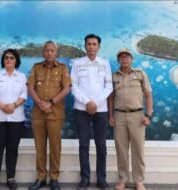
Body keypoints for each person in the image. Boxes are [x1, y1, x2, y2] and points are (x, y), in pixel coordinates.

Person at [27, 41, 71, 190]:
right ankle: (41, 177)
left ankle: (54, 178)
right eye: (47, 50)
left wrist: (50, 103)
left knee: (54, 147)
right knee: (40, 147)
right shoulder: (36, 67)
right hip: (38, 113)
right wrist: (40, 103)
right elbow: (30, 87)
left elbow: (66, 89)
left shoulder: (63, 68)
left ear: (56, 53)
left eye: (52, 51)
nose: (49, 53)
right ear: (43, 52)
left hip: (55, 113)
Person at [71, 33, 112, 189]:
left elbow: (109, 86)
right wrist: (87, 102)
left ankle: (101, 179)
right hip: (81, 109)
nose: (91, 47)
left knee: (101, 145)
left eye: (94, 44)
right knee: (84, 145)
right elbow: (73, 86)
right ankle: (85, 179)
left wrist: (96, 103)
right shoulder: (77, 63)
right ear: (85, 46)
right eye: (89, 44)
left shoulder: (105, 63)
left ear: (99, 47)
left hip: (100, 109)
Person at [108, 48, 153, 190]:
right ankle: (123, 178)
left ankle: (139, 180)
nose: (124, 59)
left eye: (127, 56)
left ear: (131, 59)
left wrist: (148, 115)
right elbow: (111, 97)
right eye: (121, 57)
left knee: (138, 150)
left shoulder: (140, 74)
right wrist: (110, 115)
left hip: (137, 116)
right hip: (119, 116)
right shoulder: (113, 76)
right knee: (121, 149)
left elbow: (148, 95)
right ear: (118, 60)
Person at [0, 49, 27, 190]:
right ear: (3, 60)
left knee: (12, 149)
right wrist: (3, 106)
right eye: (6, 58)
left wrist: (14, 105)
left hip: (16, 118)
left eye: (12, 58)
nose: (9, 60)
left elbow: (24, 94)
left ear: (16, 61)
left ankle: (11, 178)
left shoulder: (22, 77)